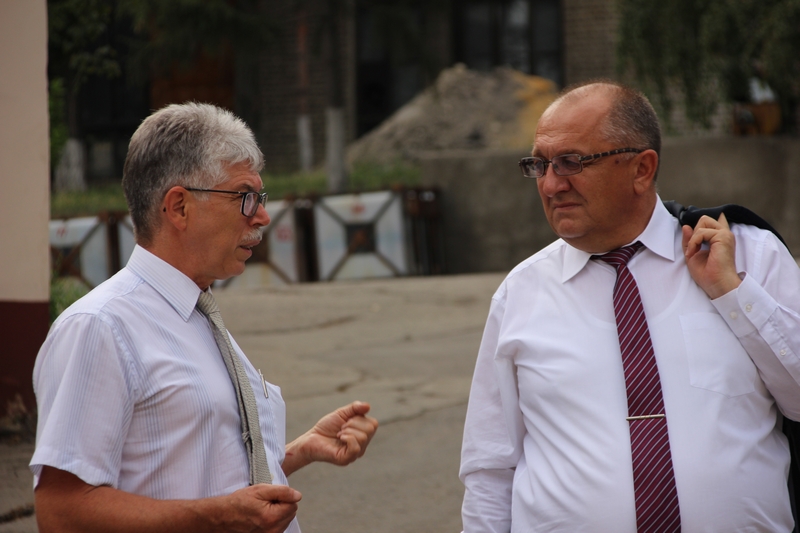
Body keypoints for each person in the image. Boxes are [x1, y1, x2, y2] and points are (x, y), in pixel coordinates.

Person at [459, 81, 800, 532]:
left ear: (642, 168)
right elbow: (490, 468)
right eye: (539, 165)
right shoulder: (521, 292)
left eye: (571, 162)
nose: (551, 184)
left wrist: (733, 293)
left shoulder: (747, 255)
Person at [31, 102, 378, 533]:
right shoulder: (99, 327)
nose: (262, 217)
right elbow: (60, 511)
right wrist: (218, 517)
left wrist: (298, 451)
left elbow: (189, 466)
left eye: (260, 199)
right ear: (179, 207)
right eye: (245, 197)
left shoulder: (195, 313)